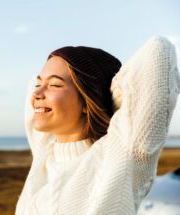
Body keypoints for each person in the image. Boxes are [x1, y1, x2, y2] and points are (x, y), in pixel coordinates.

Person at [15, 35, 180, 215]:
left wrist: (107, 98)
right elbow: (33, 83)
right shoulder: (45, 152)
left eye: (55, 84)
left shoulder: (119, 156)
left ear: (88, 100)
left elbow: (158, 50)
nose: (37, 92)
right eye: (39, 84)